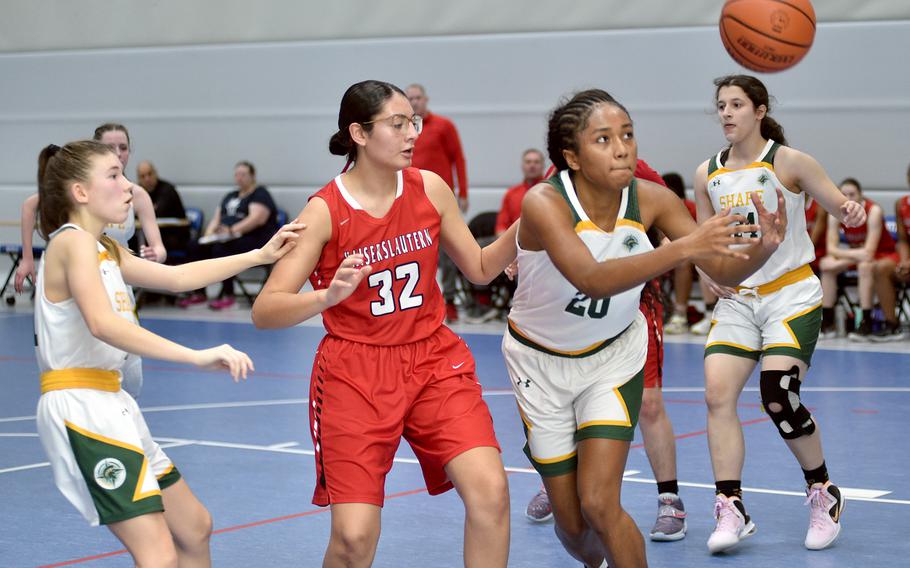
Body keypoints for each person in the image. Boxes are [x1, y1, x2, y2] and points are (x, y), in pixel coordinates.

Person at [505, 88, 785, 568]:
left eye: (628, 135)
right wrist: (684, 248)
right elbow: (592, 280)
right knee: (571, 524)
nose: (622, 147)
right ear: (571, 156)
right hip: (539, 364)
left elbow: (721, 270)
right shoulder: (543, 203)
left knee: (599, 502)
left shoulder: (652, 199)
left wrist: (763, 249)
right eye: (604, 139)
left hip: (613, 359)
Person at [252, 80, 516, 568]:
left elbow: (480, 268)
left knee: (492, 493)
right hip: (356, 372)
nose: (411, 133)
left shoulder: (429, 187)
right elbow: (266, 310)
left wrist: (525, 224)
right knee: (353, 540)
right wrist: (328, 296)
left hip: (434, 359)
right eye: (397, 124)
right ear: (359, 133)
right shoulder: (324, 212)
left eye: (412, 122)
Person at [33, 140, 300, 567]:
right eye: (114, 176)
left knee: (195, 527)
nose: (127, 187)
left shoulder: (104, 246)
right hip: (81, 406)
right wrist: (195, 356)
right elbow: (104, 324)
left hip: (113, 402)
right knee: (157, 554)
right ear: (80, 192)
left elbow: (177, 278)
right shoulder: (72, 243)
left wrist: (259, 254)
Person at [695, 75, 865, 555]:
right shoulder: (706, 172)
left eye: (736, 105)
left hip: (790, 296)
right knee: (716, 395)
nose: (726, 113)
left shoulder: (789, 162)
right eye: (721, 106)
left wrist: (850, 212)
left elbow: (838, 203)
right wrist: (707, 271)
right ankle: (731, 506)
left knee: (778, 395)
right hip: (738, 300)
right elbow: (707, 240)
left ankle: (822, 491)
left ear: (760, 111)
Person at [523, 161, 690, 546]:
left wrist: (658, 260)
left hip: (630, 305)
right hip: (568, 309)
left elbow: (676, 233)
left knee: (649, 404)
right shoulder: (555, 183)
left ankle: (670, 499)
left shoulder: (639, 177)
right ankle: (561, 486)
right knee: (568, 403)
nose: (616, 147)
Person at [16, 122, 167, 399]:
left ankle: (120, 412)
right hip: (81, 283)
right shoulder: (76, 229)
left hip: (119, 279)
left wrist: (156, 254)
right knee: (87, 351)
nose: (118, 153)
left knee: (131, 369)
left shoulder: (134, 195)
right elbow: (30, 205)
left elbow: (162, 253)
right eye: (110, 148)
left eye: (123, 147)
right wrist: (27, 258)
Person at [406, 83, 469, 322]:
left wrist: (463, 192)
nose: (414, 102)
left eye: (417, 97)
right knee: (416, 253)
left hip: (440, 200)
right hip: (410, 201)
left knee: (449, 253)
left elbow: (458, 159)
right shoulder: (403, 129)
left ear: (426, 99)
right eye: (409, 98)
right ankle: (418, 304)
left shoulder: (444, 126)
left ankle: (450, 301)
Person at [178, 161, 278, 310]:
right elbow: (217, 218)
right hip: (226, 237)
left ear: (252, 176)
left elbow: (257, 219)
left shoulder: (260, 194)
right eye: (237, 174)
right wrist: (209, 235)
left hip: (254, 239)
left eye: (243, 174)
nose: (239, 178)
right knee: (195, 246)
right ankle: (199, 293)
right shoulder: (230, 195)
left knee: (222, 249)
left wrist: (231, 231)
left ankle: (228, 294)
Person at [819, 178, 904, 341]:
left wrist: (847, 256)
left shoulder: (873, 211)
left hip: (882, 255)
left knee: (865, 266)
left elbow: (870, 252)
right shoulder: (836, 213)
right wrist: (851, 256)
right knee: (826, 265)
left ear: (860, 196)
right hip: (857, 255)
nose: (848, 198)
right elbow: (832, 249)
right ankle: (827, 322)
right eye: (844, 194)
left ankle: (866, 321)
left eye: (852, 194)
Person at [661, 172, 718, 336]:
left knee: (684, 260)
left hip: (693, 257)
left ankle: (681, 315)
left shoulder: (692, 208)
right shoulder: (655, 208)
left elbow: (703, 238)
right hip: (663, 256)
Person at [136, 160, 190, 255]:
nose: (147, 179)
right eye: (143, 176)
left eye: (150, 174)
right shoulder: (138, 192)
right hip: (151, 234)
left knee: (147, 245)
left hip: (173, 234)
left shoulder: (167, 190)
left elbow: (157, 214)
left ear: (156, 173)